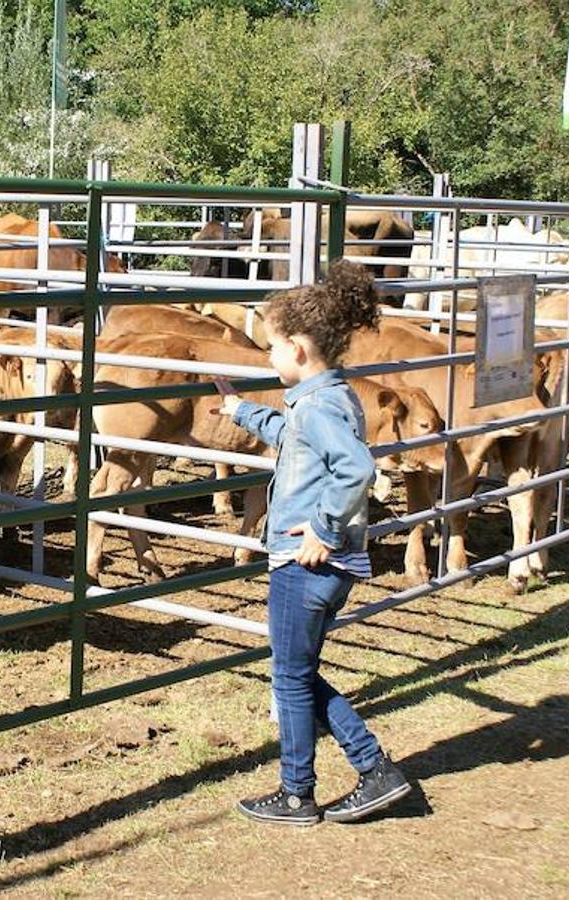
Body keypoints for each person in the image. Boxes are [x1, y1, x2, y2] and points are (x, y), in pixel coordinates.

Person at [215, 259, 411, 826]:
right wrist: (243, 412)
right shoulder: (328, 398)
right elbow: (300, 442)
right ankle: (374, 771)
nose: (268, 357)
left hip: (307, 561)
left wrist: (323, 529)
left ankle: (299, 792)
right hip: (322, 561)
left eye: (272, 347)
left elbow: (355, 469)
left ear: (298, 348)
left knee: (292, 675)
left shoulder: (321, 404)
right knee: (298, 669)